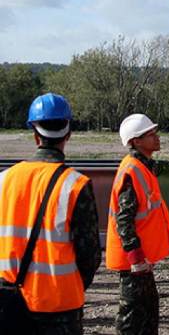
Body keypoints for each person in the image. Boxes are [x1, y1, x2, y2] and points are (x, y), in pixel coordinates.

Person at [0, 93, 101, 333]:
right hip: (59, 307)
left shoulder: (4, 180)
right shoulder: (76, 185)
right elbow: (90, 255)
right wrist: (72, 286)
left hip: (9, 302)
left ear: (34, 134)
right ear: (68, 134)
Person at [106, 113, 169, 334]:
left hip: (142, 261)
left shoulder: (142, 165)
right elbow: (123, 220)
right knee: (131, 319)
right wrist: (135, 259)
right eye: (150, 135)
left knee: (147, 316)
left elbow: (157, 167)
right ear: (136, 141)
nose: (157, 138)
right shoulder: (131, 171)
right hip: (134, 263)